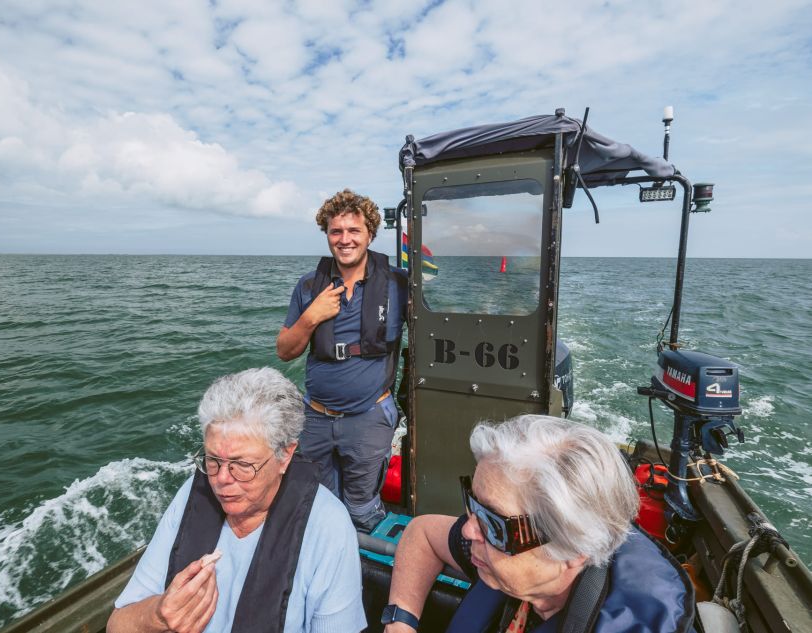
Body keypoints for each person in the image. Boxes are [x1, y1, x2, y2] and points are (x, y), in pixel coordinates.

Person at [107, 367, 367, 633]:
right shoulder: (192, 494)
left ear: (285, 455)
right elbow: (117, 625)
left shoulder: (328, 526)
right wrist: (158, 616)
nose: (221, 479)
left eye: (242, 464)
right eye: (212, 460)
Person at [382, 415, 695, 633]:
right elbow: (422, 534)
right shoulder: (495, 554)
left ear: (572, 549)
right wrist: (401, 621)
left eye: (493, 522)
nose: (468, 529)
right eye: (472, 503)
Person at [277, 189, 407, 532]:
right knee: (319, 506)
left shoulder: (398, 283)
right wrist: (311, 317)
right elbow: (285, 350)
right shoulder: (308, 286)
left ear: (370, 234)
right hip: (315, 420)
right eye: (336, 231)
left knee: (361, 509)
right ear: (327, 234)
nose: (344, 239)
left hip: (368, 419)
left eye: (354, 231)